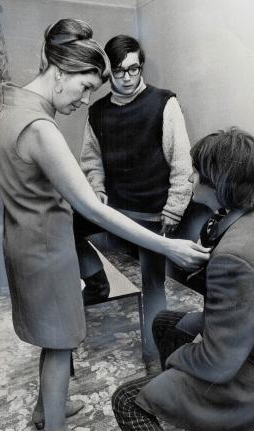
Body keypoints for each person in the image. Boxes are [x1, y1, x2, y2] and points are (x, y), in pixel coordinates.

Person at [0, 19, 210, 431]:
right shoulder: (39, 128)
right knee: (61, 341)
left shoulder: (11, 104)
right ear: (61, 73)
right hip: (45, 249)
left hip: (23, 239)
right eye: (85, 86)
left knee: (53, 337)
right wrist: (166, 245)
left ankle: (44, 409)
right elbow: (92, 208)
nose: (87, 99)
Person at [112, 127, 254, 431]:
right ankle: (179, 407)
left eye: (196, 172)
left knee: (127, 400)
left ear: (217, 182)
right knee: (164, 322)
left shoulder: (234, 257)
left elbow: (218, 363)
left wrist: (176, 363)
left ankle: (180, 399)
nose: (190, 179)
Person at [79, 35, 193, 369]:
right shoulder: (97, 112)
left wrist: (173, 208)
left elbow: (182, 163)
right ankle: (96, 280)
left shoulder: (163, 102)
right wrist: (96, 190)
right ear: (108, 73)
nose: (128, 77)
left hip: (154, 213)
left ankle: (155, 356)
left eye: (134, 69)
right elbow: (90, 161)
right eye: (120, 71)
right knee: (64, 223)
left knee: (151, 283)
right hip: (114, 212)